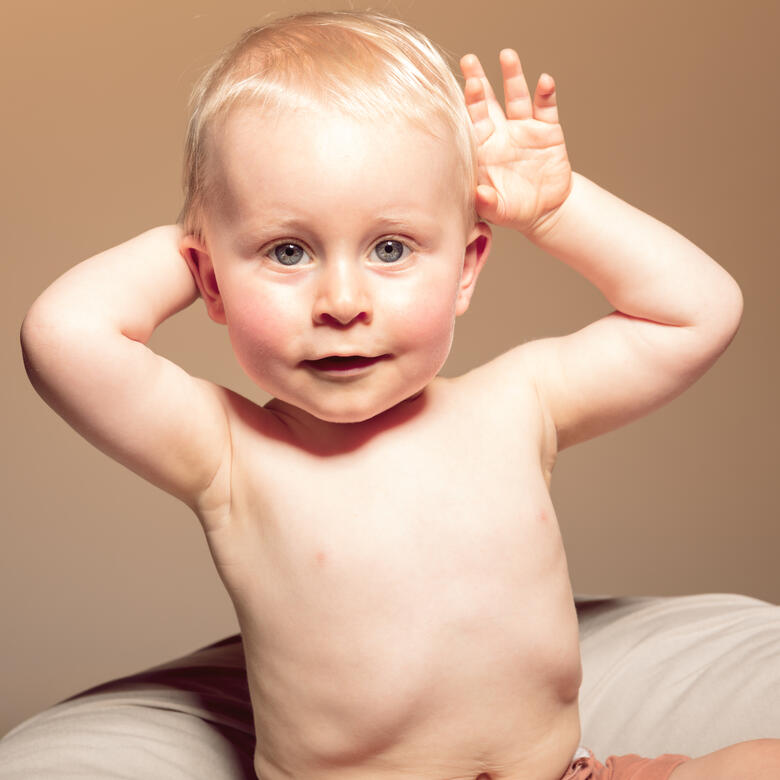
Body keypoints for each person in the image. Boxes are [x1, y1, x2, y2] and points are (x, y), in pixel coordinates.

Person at [18, 10, 780, 780]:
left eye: (390, 248)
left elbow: (699, 311)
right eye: (288, 250)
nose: (343, 301)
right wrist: (210, 228)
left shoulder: (518, 403)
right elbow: (64, 335)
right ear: (210, 280)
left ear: (466, 268)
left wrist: (557, 209)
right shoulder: (230, 455)